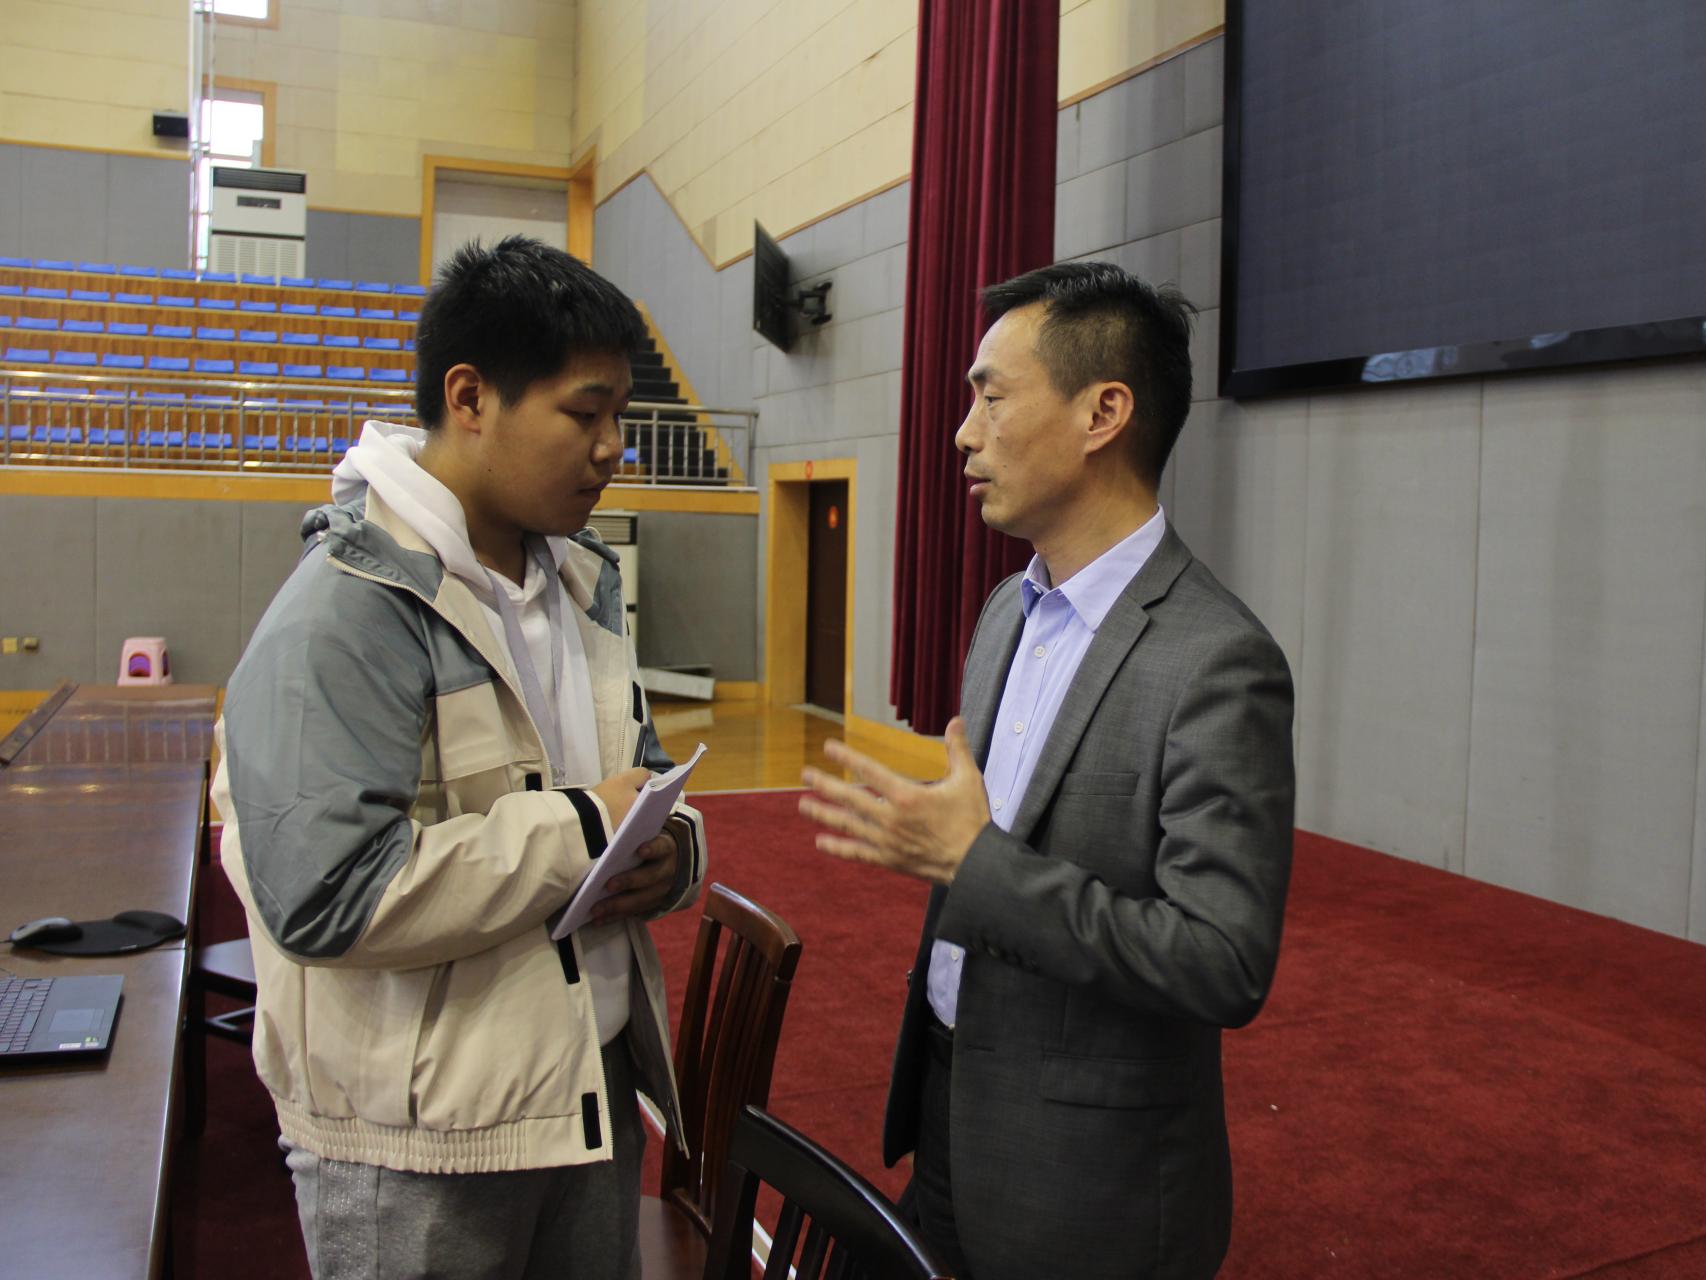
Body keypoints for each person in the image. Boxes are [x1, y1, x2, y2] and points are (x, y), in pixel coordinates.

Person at [210, 235, 706, 1280]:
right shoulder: (345, 611)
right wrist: (583, 829)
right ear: (470, 397)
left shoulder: (580, 583)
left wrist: (669, 853)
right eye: (585, 413)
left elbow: (640, 772)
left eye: (621, 414)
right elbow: (327, 894)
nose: (614, 447)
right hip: (419, 1148)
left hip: (587, 1091)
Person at [800, 261, 1295, 1279]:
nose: (962, 433)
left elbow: (1222, 959)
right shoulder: (1005, 613)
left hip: (1089, 1181)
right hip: (948, 1110)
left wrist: (973, 863)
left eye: (991, 396)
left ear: (1102, 413)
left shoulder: (1217, 660)